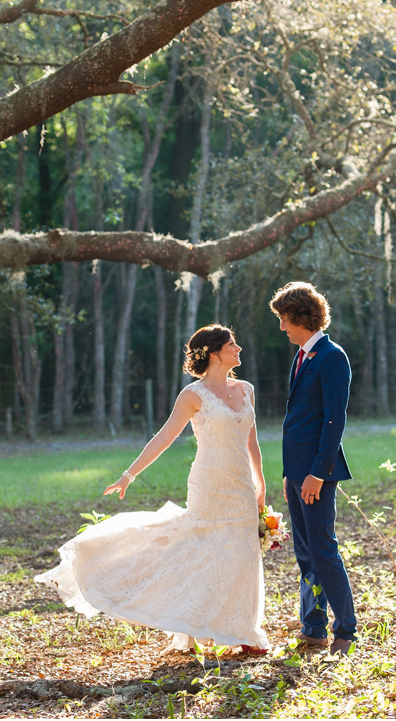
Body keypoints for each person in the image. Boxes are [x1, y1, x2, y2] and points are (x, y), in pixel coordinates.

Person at [35, 324, 270, 655]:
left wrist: (261, 482)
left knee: (243, 552)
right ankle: (197, 623)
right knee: (204, 549)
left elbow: (252, 440)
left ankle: (243, 629)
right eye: (233, 344)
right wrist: (128, 475)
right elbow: (163, 437)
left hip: (242, 483)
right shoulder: (193, 395)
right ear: (215, 353)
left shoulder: (246, 389)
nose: (239, 348)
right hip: (209, 482)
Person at [270, 281, 357, 657]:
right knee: (305, 552)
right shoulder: (301, 356)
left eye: (284, 320)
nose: (282, 327)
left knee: (323, 549)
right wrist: (292, 471)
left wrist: (317, 474)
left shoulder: (332, 356)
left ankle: (346, 630)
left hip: (317, 475)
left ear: (300, 317)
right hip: (297, 472)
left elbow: (333, 421)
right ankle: (313, 627)